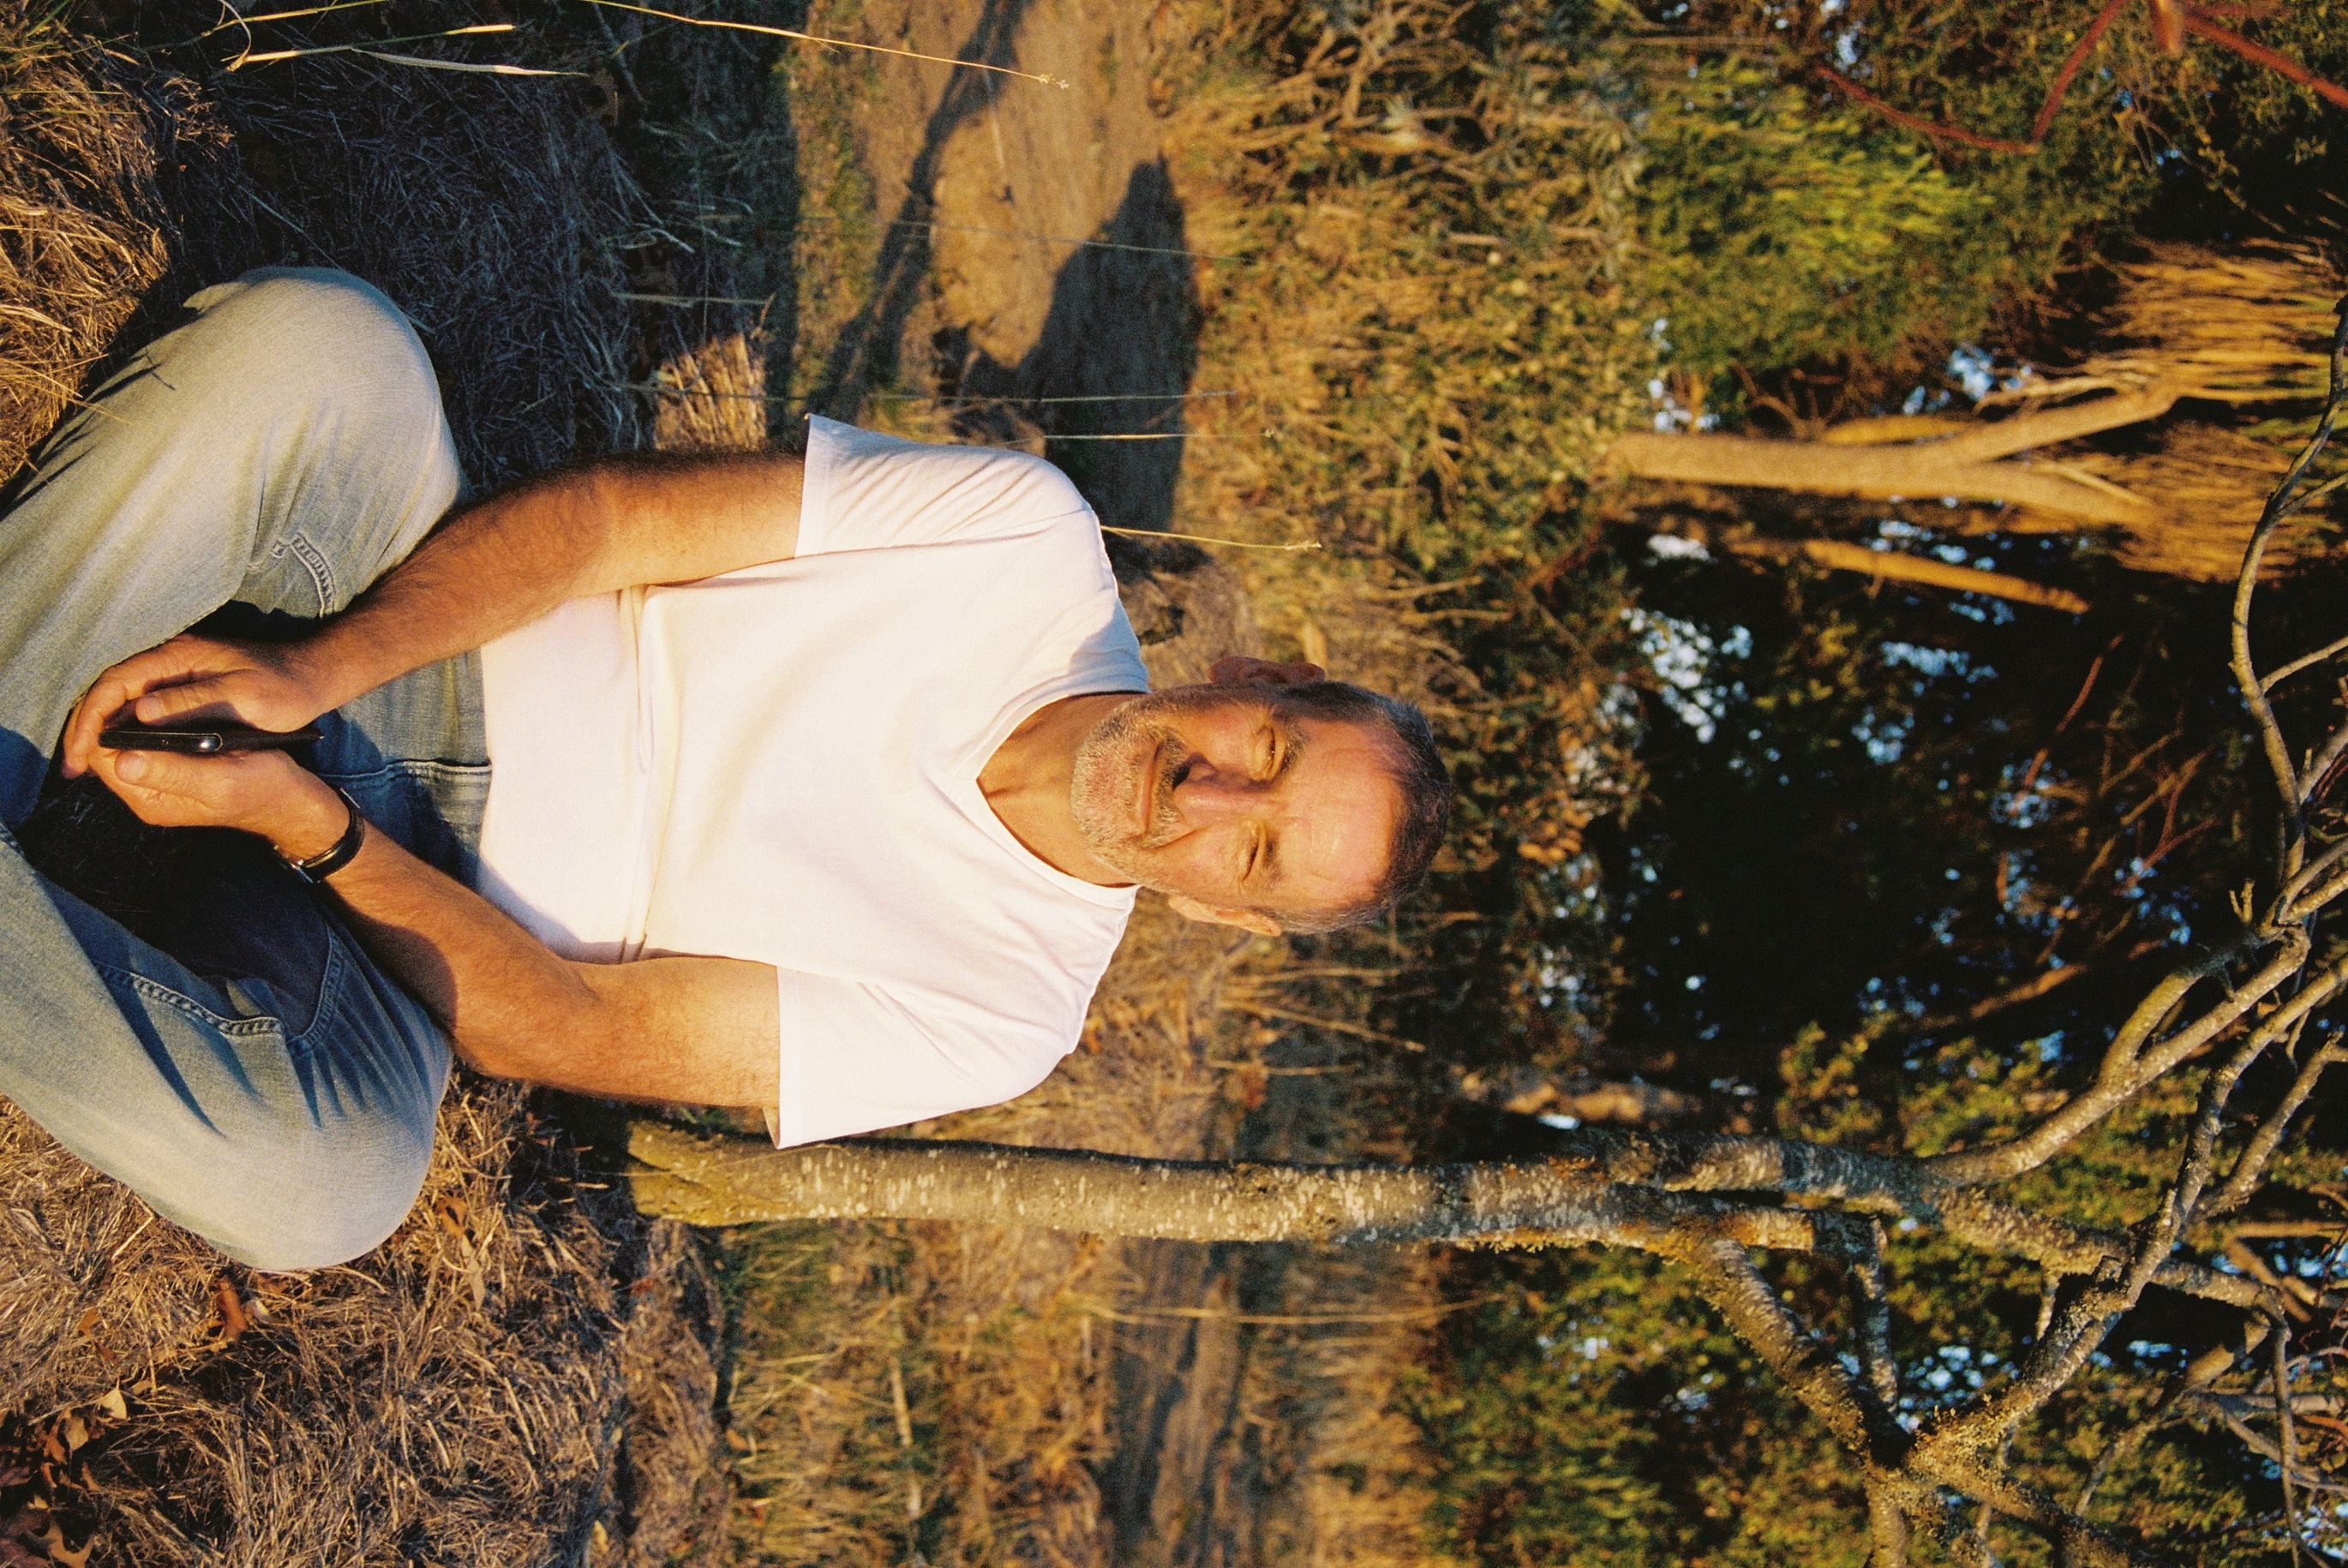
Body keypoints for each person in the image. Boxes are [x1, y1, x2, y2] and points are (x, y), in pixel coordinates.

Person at [0, 269, 1451, 1272]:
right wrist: (324, 670)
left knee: (327, 1185)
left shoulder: (1009, 1014)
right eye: (1268, 752)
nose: (1208, 797)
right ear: (1256, 680)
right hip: (410, 624)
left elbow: (572, 1025)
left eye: (1255, 851)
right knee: (328, 354)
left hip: (392, 940)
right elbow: (603, 527)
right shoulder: (1029, 541)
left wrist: (315, 830)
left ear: (1227, 918)